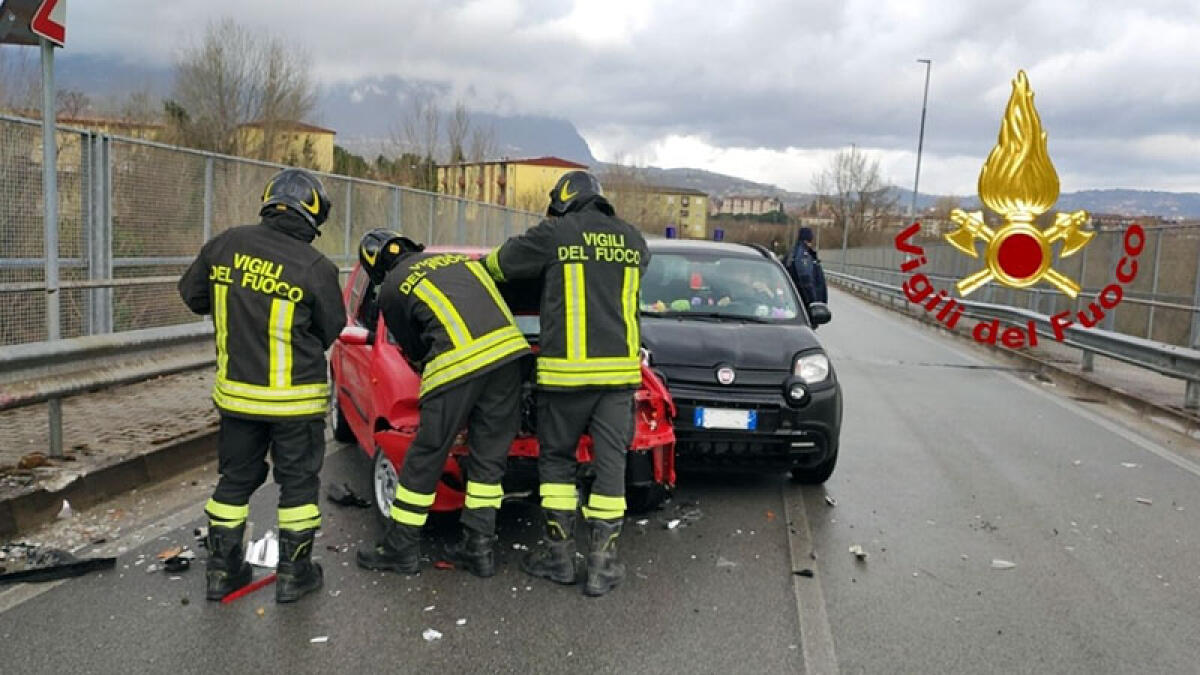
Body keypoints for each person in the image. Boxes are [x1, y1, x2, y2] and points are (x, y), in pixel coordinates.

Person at [178, 168, 345, 603]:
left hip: (237, 398)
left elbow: (193, 296)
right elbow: (332, 328)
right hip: (297, 401)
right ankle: (294, 575)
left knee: (234, 482)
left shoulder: (225, 244)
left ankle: (222, 572)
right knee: (299, 487)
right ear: (312, 216)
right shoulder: (316, 266)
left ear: (269, 202)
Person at [484, 170, 649, 597]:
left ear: (563, 201)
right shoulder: (634, 240)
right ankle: (602, 567)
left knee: (557, 463)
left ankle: (558, 559)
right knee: (611, 467)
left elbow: (499, 264)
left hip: (564, 379)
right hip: (617, 381)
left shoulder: (556, 233)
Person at [354, 229, 530, 578]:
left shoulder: (392, 287)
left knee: (426, 456)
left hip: (457, 365)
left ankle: (400, 548)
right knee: (489, 458)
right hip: (510, 360)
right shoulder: (464, 263)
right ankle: (478, 549)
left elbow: (415, 349)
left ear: (377, 270)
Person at [789, 227, 828, 309]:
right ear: (808, 238)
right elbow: (806, 280)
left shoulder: (795, 252)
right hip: (807, 305)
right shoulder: (803, 255)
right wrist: (813, 302)